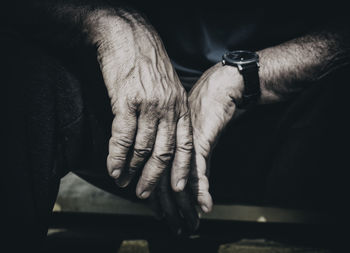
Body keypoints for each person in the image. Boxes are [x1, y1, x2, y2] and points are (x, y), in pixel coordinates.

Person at [4, 0, 350, 251]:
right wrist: (110, 21)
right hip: (121, 120)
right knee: (16, 62)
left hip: (295, 124)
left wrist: (245, 75)